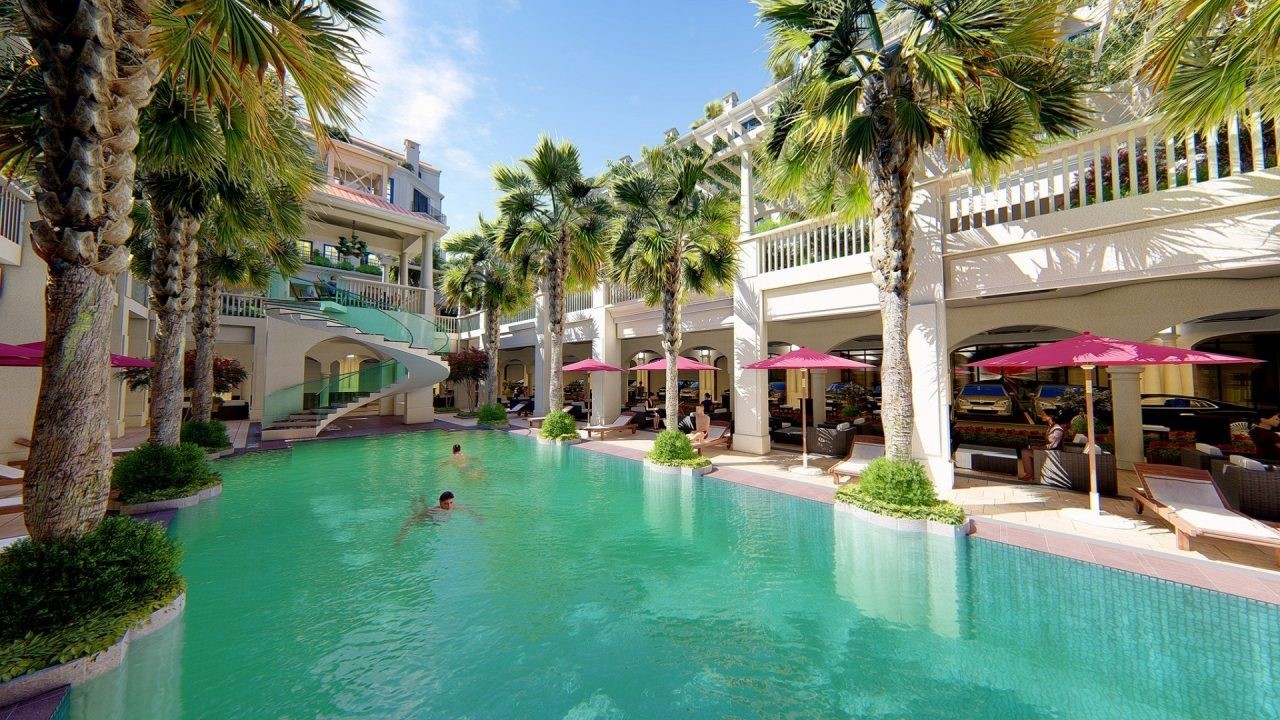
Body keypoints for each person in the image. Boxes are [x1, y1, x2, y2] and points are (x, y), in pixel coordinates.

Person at [1019, 408, 1064, 480]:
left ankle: (1030, 474)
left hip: (1052, 453)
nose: (1041, 416)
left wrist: (1039, 448)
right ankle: (1031, 473)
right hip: (1048, 451)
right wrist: (1037, 446)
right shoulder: (1050, 427)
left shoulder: (1057, 429)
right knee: (1026, 450)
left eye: (1043, 414)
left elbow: (1053, 446)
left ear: (1050, 417)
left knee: (1025, 452)